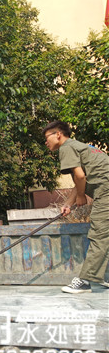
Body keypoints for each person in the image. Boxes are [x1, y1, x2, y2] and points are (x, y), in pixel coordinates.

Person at [43, 121, 109, 294]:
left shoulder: (66, 147)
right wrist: (68, 203)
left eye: (47, 137)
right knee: (105, 235)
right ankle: (98, 277)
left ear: (58, 134)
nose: (45, 142)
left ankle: (85, 281)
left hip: (106, 191)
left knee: (99, 234)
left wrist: (81, 196)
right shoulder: (80, 146)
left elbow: (80, 177)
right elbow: (80, 179)